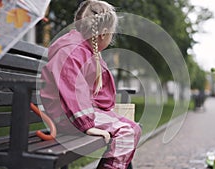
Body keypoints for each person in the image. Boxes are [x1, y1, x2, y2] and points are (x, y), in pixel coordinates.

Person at [40, 0, 142, 168]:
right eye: (112, 34)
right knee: (126, 132)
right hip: (68, 116)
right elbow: (72, 91)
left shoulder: (87, 51)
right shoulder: (72, 51)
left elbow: (91, 90)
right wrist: (87, 125)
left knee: (133, 128)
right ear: (103, 33)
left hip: (77, 113)